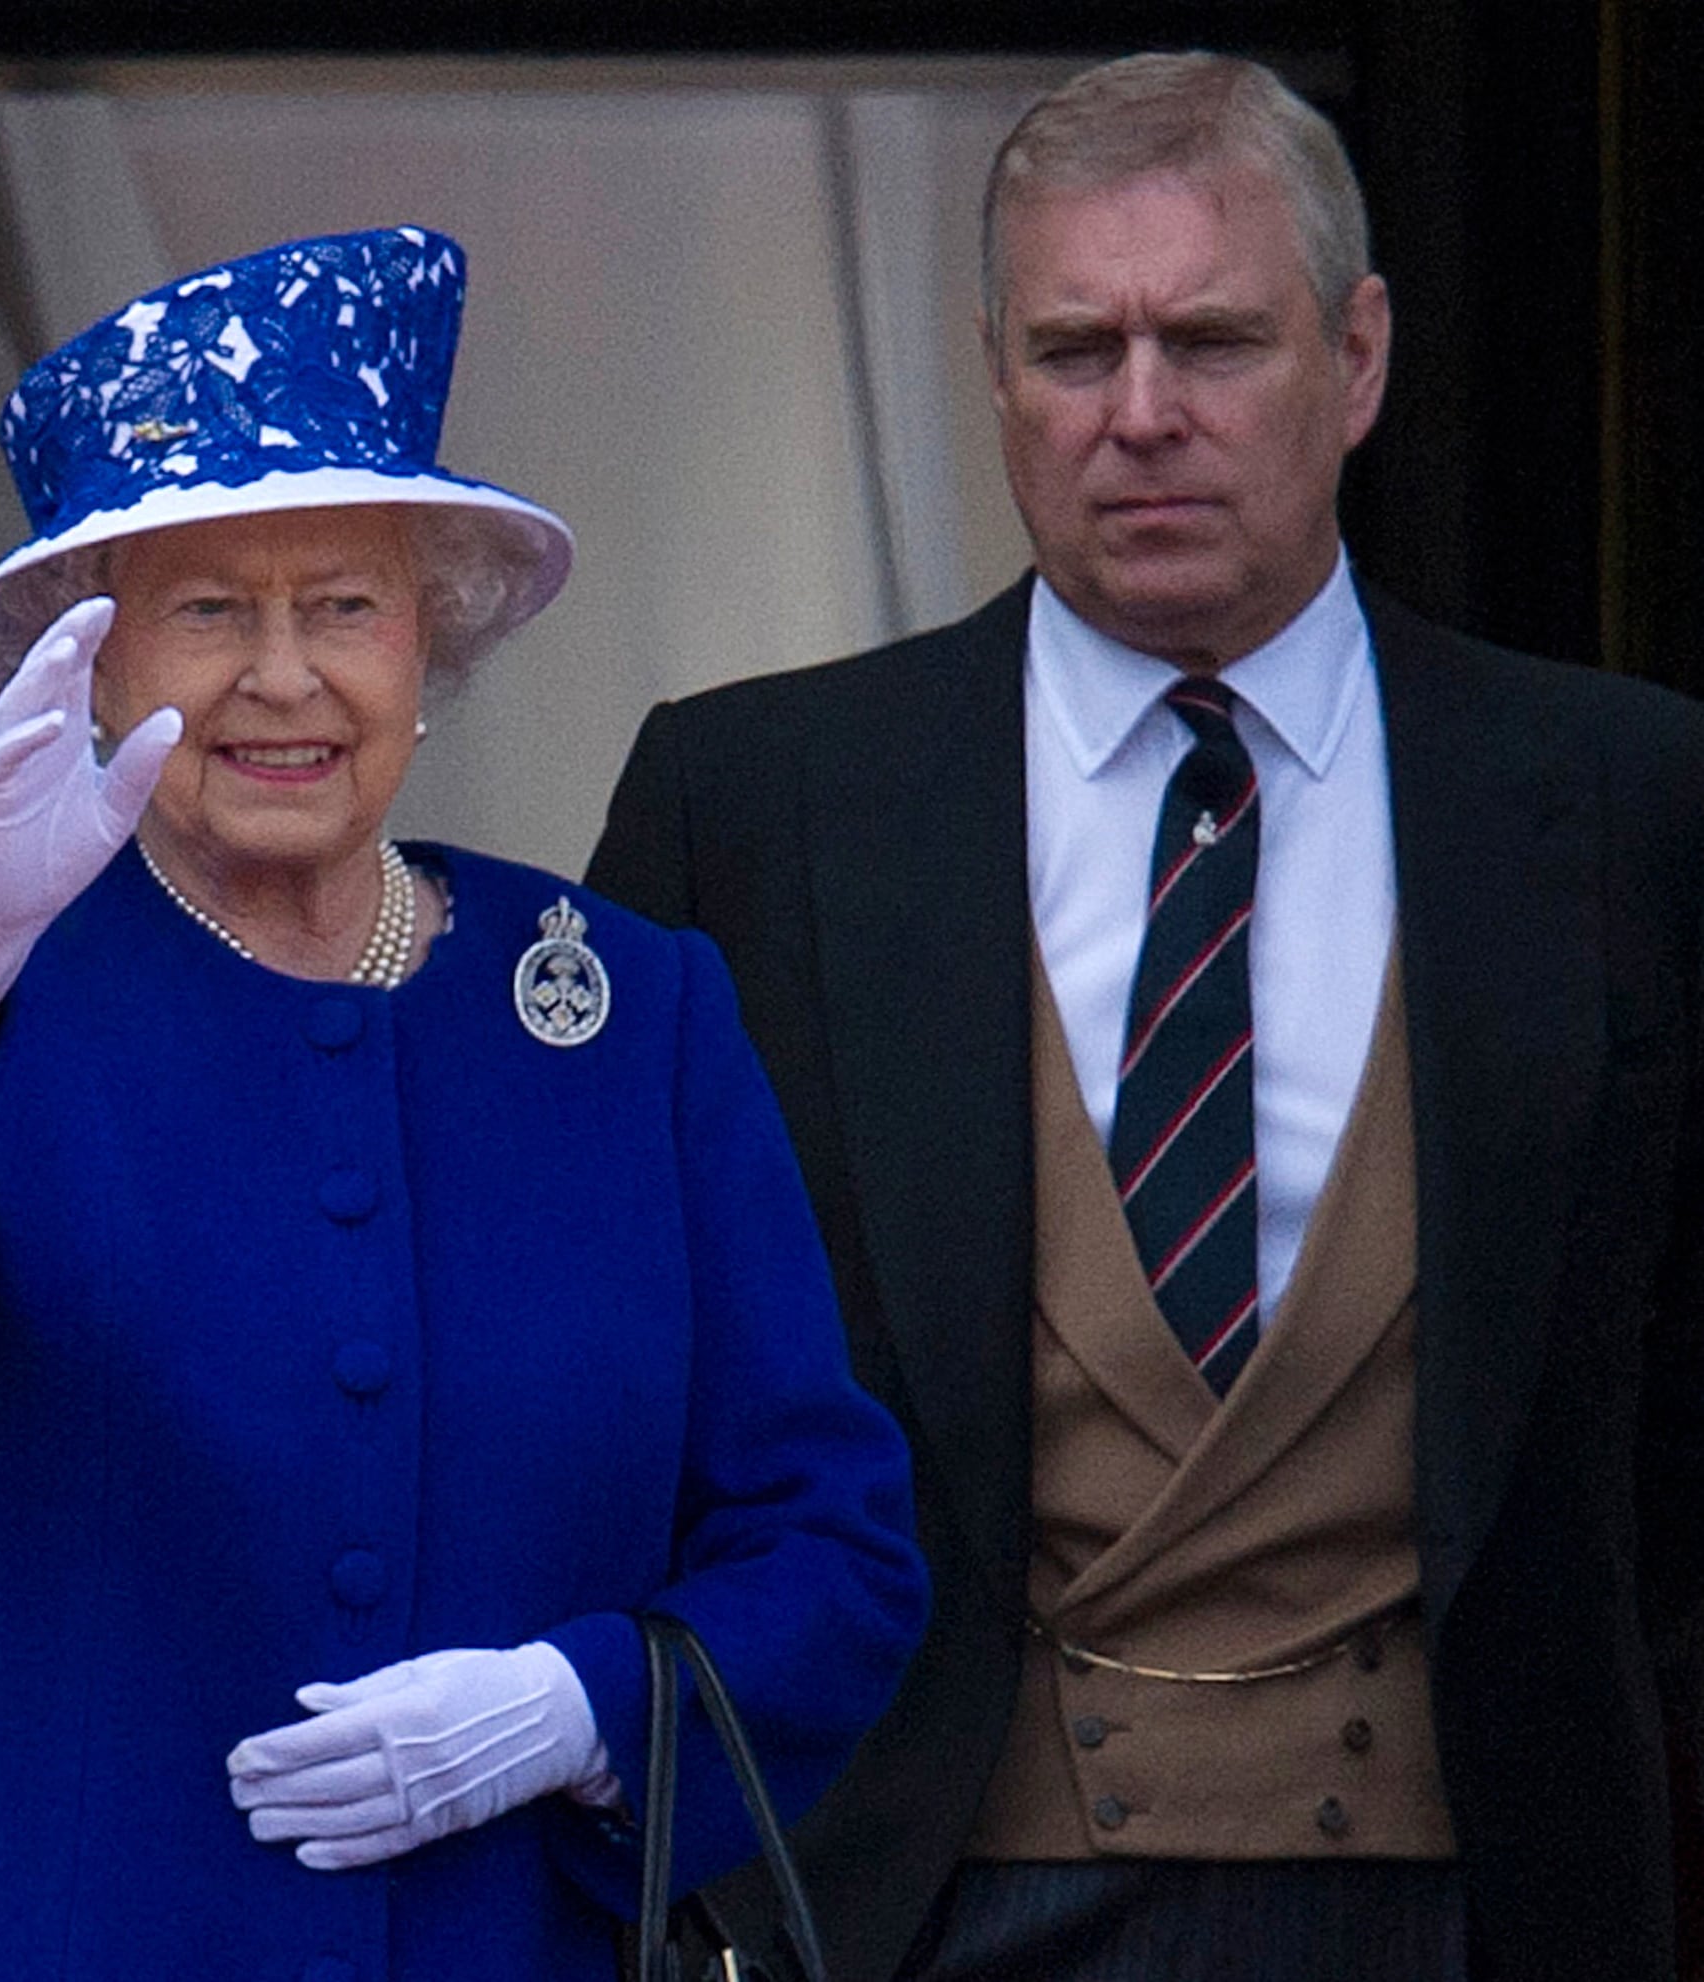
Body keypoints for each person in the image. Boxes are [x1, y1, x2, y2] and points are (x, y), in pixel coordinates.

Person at [0, 224, 926, 1979]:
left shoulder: (626, 1008)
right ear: (89, 660)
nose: (282, 676)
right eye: (207, 611)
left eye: (344, 605)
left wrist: (582, 1706)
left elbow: (833, 1540)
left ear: (434, 640)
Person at [588, 51, 1704, 1982]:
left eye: (1209, 339)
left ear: (1356, 358)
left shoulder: (1626, 800)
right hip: (907, 1891)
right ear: (991, 374)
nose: (1140, 416)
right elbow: (606, 1366)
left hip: (1483, 1900)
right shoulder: (754, 802)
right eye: (1071, 350)